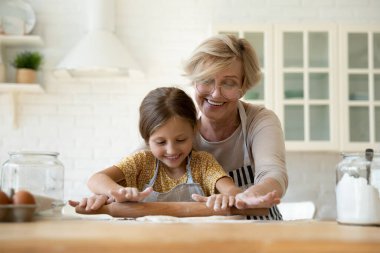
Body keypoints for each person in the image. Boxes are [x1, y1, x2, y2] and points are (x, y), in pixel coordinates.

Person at [70, 87, 246, 211]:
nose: (171, 150)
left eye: (180, 139)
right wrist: (118, 192)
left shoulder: (203, 164)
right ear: (147, 139)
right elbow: (96, 179)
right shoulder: (141, 162)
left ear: (194, 131)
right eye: (161, 142)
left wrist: (226, 197)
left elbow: (233, 191)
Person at [183, 34, 287, 220]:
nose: (215, 93)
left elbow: (273, 173)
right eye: (206, 80)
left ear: (243, 87)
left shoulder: (260, 120)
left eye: (229, 83)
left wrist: (249, 196)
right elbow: (136, 163)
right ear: (194, 81)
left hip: (262, 235)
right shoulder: (179, 130)